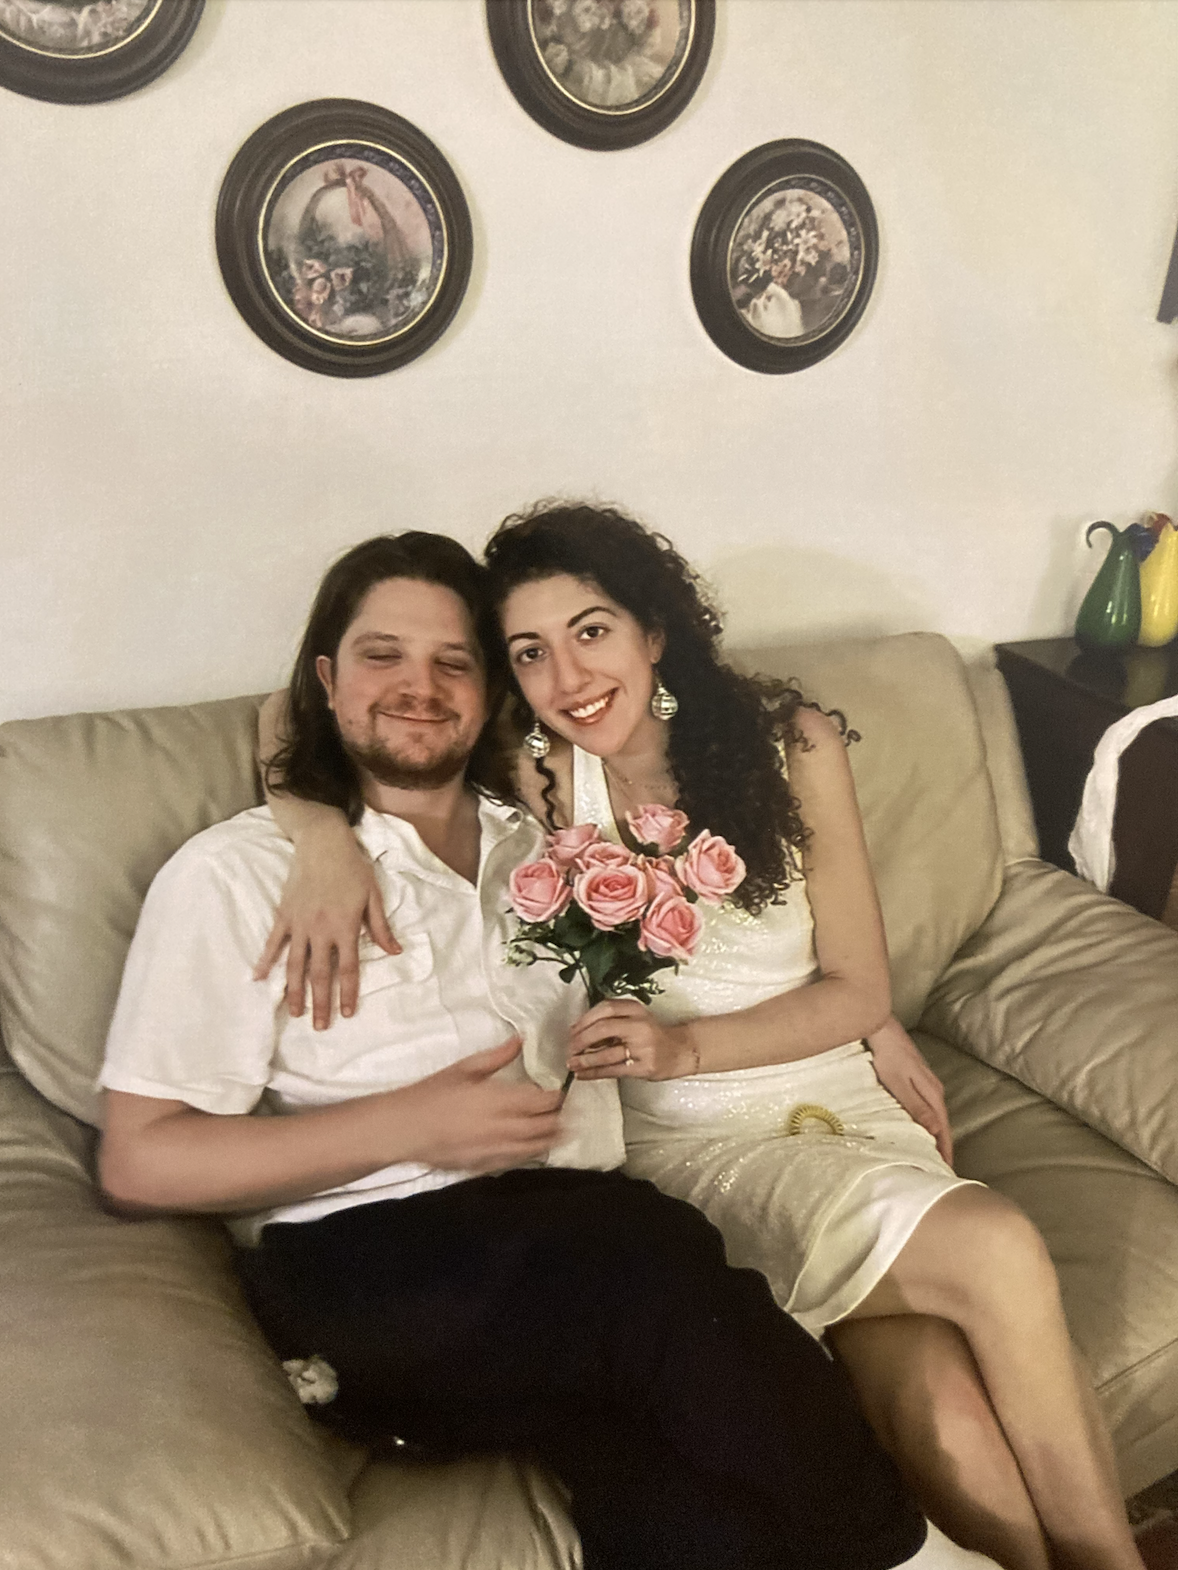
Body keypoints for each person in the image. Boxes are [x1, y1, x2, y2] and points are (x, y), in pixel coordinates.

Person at [257, 507, 1146, 1570]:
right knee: (988, 1260)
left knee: (942, 1397)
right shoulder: (534, 768)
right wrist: (314, 832)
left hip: (832, 1090)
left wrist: (869, 1031)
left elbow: (857, 983)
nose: (565, 676)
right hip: (685, 1140)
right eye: (527, 653)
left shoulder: (791, 740)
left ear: (654, 631)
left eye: (590, 631)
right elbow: (292, 712)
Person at [97, 530, 992, 1570]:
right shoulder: (235, 879)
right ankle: (911, 1556)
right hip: (371, 1257)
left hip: (557, 1253)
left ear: (491, 694)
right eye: (381, 656)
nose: (418, 687)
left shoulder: (550, 839)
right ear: (326, 682)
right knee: (649, 1255)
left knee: (695, 1507)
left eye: (453, 661)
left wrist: (865, 1008)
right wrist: (407, 1119)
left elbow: (743, 941)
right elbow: (138, 1159)